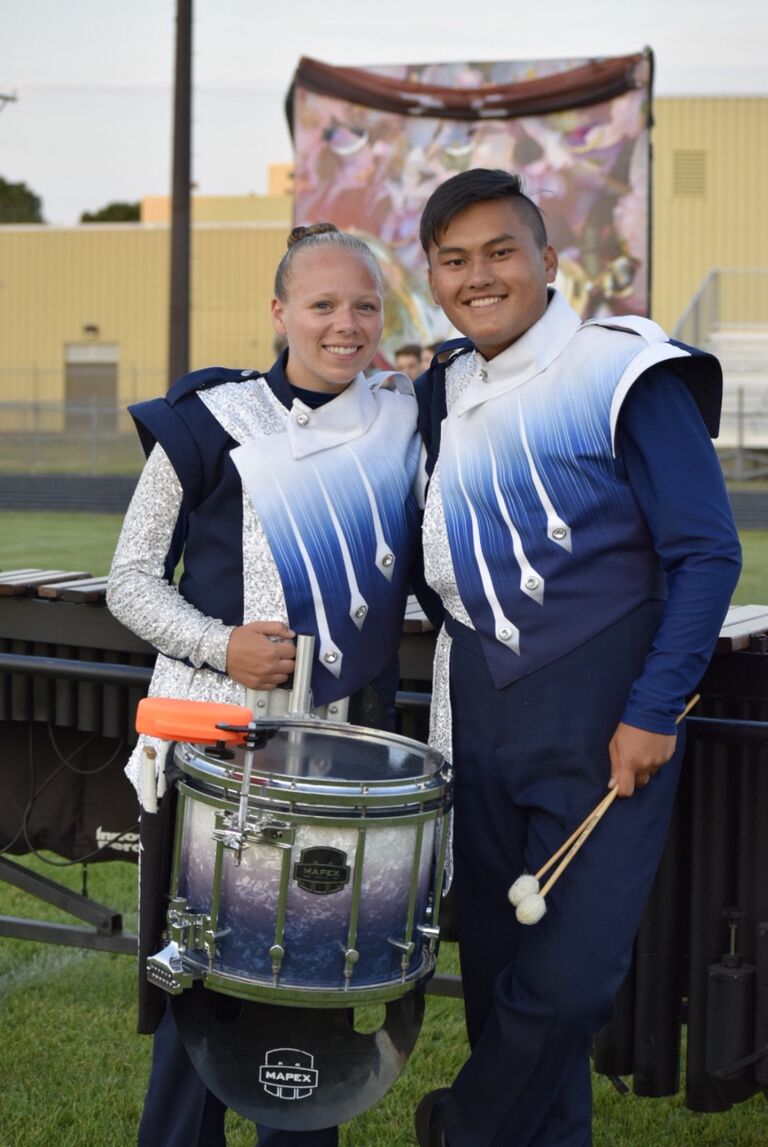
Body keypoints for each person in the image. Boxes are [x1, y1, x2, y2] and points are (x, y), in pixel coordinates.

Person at [412, 169, 742, 1147]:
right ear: (433, 276)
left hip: (604, 707)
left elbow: (706, 550)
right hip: (479, 699)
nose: (480, 276)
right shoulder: (444, 383)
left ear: (550, 261)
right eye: (454, 260)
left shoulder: (624, 365)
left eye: (501, 251)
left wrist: (651, 709)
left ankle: (458, 1127)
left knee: (572, 977)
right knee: (496, 970)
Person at [107, 222, 423, 1147]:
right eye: (322, 304)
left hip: (338, 755)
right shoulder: (209, 418)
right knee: (197, 988)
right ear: (280, 311)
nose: (346, 323)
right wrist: (221, 644)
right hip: (210, 743)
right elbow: (129, 579)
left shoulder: (403, 420)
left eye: (365, 304)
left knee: (314, 991)